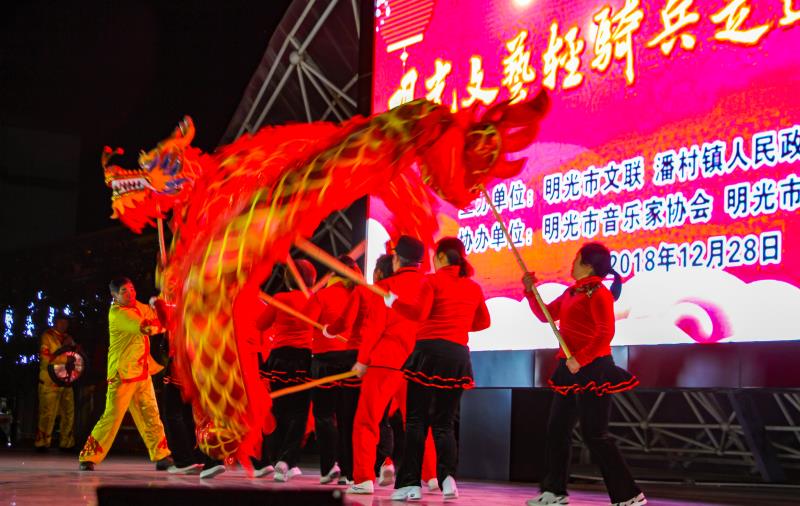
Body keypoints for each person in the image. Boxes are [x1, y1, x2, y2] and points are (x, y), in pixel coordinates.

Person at [523, 243, 646, 506]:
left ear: (588, 265)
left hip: (593, 369)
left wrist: (580, 359)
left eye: (577, 259)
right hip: (569, 369)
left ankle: (629, 495)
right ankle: (554, 491)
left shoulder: (599, 293)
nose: (572, 263)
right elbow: (547, 315)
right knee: (557, 430)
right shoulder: (571, 292)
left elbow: (605, 333)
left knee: (595, 434)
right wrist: (531, 292)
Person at [392, 237, 490, 501]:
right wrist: (457, 324)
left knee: (416, 421)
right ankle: (448, 480)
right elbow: (484, 322)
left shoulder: (431, 281)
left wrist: (393, 302)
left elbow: (419, 314)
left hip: (428, 353)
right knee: (444, 424)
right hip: (457, 356)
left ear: (442, 257)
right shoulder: (473, 287)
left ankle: (411, 484)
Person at [346, 236, 433, 495]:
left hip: (385, 363)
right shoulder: (428, 286)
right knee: (417, 423)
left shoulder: (384, 288)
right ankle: (431, 476)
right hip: (417, 363)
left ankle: (363, 478)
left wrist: (362, 360)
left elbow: (374, 328)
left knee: (366, 421)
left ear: (396, 259)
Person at [78, 277, 172, 471]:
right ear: (114, 295)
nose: (130, 293)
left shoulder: (137, 306)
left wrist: (163, 298)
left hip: (142, 371)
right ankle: (88, 456)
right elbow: (147, 327)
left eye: (132, 289)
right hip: (122, 374)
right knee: (112, 417)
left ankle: (161, 455)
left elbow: (154, 312)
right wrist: (166, 323)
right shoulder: (118, 314)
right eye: (124, 291)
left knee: (151, 414)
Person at [252, 260, 318, 482]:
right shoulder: (313, 299)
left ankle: (278, 458)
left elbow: (260, 324)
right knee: (299, 413)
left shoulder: (279, 299)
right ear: (312, 278)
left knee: (278, 411)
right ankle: (287, 460)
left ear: (288, 278)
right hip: (303, 360)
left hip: (279, 359)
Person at [311, 255, 363, 485]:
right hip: (352, 360)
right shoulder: (361, 293)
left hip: (324, 361)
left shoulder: (322, 295)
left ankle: (328, 467)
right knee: (347, 417)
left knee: (324, 416)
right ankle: (349, 472)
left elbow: (308, 323)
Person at [35, 313, 76, 452]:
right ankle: (42, 443)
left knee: (68, 413)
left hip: (66, 381)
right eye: (61, 322)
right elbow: (46, 358)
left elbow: (77, 355)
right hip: (49, 381)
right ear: (55, 322)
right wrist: (65, 359)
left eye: (66, 323)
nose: (63, 325)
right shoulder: (47, 336)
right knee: (47, 414)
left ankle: (67, 443)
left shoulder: (69, 338)